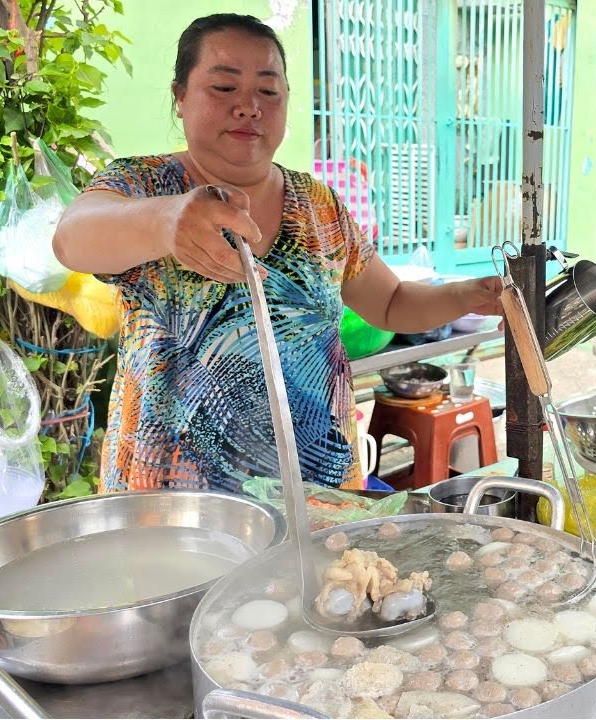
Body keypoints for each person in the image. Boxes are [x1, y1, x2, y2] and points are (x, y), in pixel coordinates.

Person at [53, 13, 503, 494]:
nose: (248, 107)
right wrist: (166, 221)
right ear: (179, 97)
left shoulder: (318, 205)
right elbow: (71, 238)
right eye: (224, 88)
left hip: (316, 491)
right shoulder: (143, 185)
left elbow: (389, 302)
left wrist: (464, 295)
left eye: (268, 91)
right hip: (174, 504)